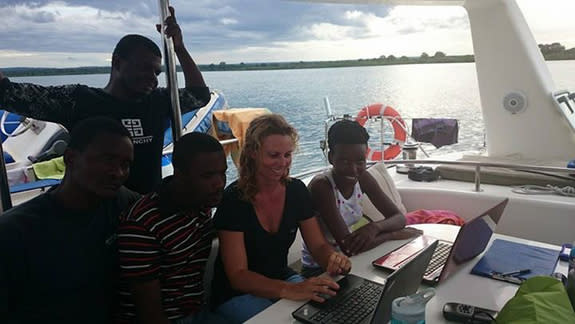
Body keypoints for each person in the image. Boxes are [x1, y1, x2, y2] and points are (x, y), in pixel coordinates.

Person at [0, 6, 209, 193]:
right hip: (93, 213)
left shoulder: (159, 100)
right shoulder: (79, 100)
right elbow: (7, 93)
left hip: (143, 214)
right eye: (145, 68)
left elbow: (200, 95)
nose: (152, 79)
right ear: (118, 62)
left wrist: (179, 48)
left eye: (156, 72)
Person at [211, 114, 352, 323]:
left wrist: (332, 260)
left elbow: (318, 245)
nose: (283, 163)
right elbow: (238, 275)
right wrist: (290, 289)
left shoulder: (296, 191)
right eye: (274, 155)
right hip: (236, 294)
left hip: (282, 278)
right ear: (252, 152)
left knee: (334, 309)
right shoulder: (234, 200)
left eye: (287, 154)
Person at [0, 117, 140, 323]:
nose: (118, 173)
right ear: (71, 158)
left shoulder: (119, 201)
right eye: (107, 160)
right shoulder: (15, 232)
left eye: (125, 164)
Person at [116, 132, 228, 324]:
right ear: (180, 174)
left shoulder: (202, 203)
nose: (219, 183)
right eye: (208, 175)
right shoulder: (142, 225)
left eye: (223, 173)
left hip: (199, 310)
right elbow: (150, 315)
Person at [301, 119, 422, 276]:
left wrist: (374, 228)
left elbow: (399, 218)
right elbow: (348, 246)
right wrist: (393, 235)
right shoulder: (322, 187)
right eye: (344, 161)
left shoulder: (363, 177)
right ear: (331, 158)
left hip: (354, 259)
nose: (353, 169)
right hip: (322, 268)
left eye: (360, 161)